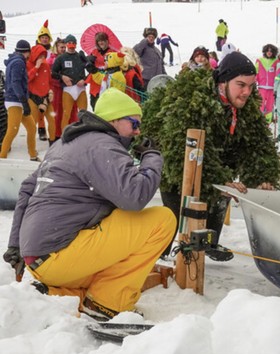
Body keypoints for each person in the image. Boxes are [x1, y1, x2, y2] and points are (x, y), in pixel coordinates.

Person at [2, 88, 176, 321]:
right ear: (114, 120)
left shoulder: (65, 143)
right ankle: (107, 304)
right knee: (162, 220)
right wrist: (152, 156)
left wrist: (16, 246)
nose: (138, 131)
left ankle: (57, 292)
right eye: (134, 123)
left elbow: (26, 189)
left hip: (39, 260)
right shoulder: (101, 146)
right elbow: (134, 197)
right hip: (60, 255)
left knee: (112, 239)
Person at [140, 51, 280, 261]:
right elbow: (182, 151)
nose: (246, 92)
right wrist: (217, 180)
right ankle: (159, 253)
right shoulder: (193, 101)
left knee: (219, 198)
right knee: (176, 212)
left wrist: (263, 176)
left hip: (218, 160)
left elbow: (258, 144)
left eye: (251, 86)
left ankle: (210, 243)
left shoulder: (246, 107)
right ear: (223, 82)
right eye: (241, 85)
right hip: (176, 165)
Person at [0, 40, 40, 161]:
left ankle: (33, 155)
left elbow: (19, 83)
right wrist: (23, 100)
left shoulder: (16, 61)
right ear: (27, 52)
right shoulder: (18, 63)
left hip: (17, 100)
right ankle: (2, 157)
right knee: (12, 130)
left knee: (32, 128)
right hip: (15, 101)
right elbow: (16, 83)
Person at [51, 34, 89, 132]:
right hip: (68, 90)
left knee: (84, 113)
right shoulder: (61, 58)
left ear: (76, 44)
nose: (71, 45)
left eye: (73, 43)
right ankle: (64, 134)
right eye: (69, 43)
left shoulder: (80, 56)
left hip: (81, 89)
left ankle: (84, 133)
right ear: (66, 44)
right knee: (66, 114)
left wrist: (84, 79)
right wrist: (62, 77)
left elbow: (92, 71)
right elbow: (53, 73)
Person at [47, 37, 78, 141]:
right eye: (61, 47)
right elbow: (50, 75)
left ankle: (70, 130)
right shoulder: (51, 60)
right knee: (57, 111)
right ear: (56, 47)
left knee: (70, 110)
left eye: (65, 47)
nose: (63, 49)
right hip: (56, 88)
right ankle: (57, 133)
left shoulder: (70, 57)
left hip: (68, 88)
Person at [27, 45, 56, 145]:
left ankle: (52, 142)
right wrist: (36, 67)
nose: (42, 58)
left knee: (52, 120)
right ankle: (31, 147)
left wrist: (51, 91)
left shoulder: (46, 65)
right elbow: (27, 79)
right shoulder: (28, 64)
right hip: (33, 98)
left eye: (44, 56)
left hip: (45, 98)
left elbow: (50, 81)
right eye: (40, 55)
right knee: (32, 123)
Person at [85, 31, 117, 109]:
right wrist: (89, 61)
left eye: (103, 40)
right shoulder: (94, 52)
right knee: (95, 105)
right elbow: (88, 67)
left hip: (107, 79)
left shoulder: (113, 52)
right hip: (95, 82)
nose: (101, 42)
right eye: (99, 40)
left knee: (107, 105)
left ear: (107, 41)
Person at [34, 19, 53, 142]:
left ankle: (54, 132)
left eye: (46, 37)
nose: (44, 39)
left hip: (50, 81)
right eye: (42, 37)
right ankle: (41, 130)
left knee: (51, 108)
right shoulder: (34, 50)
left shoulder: (52, 51)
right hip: (38, 82)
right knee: (40, 108)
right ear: (39, 38)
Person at [255, 43, 279, 123]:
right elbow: (256, 72)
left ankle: (267, 123)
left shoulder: (276, 61)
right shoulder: (259, 60)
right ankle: (259, 121)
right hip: (261, 87)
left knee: (269, 106)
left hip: (272, 88)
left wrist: (277, 85)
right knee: (260, 105)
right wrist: (254, 82)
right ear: (264, 51)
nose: (269, 52)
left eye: (271, 51)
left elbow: (278, 74)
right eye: (267, 50)